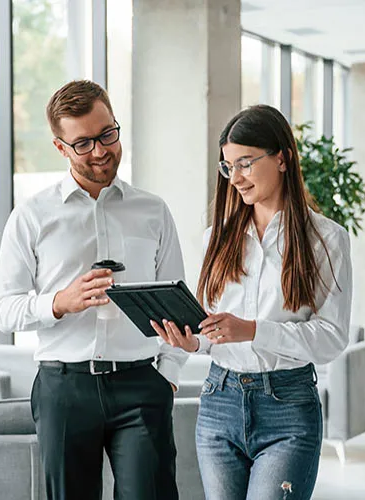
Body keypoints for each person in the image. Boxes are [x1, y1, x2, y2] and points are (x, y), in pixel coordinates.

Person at [0, 80, 187, 500]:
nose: (100, 151)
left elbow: (177, 300)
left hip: (141, 386)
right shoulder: (31, 216)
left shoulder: (153, 211)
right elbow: (1, 309)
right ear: (60, 148)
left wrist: (167, 376)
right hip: (64, 388)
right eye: (83, 144)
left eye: (107, 135)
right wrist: (59, 303)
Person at [151, 104, 352, 500]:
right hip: (218, 403)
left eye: (245, 163)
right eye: (228, 167)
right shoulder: (216, 237)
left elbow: (331, 338)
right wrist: (194, 341)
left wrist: (253, 331)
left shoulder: (326, 240)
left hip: (288, 408)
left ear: (282, 158)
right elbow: (214, 331)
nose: (235, 178)